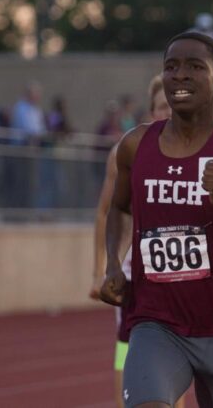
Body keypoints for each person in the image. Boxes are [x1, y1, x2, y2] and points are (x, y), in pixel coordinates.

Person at [100, 31, 213, 408]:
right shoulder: (135, 145)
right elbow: (117, 207)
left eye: (195, 67)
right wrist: (113, 264)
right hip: (156, 324)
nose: (179, 75)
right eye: (171, 67)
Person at [90, 75, 185, 408]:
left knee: (178, 354)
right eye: (162, 107)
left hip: (181, 273)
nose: (168, 113)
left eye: (172, 106)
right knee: (126, 351)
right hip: (136, 272)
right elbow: (104, 214)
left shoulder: (193, 152)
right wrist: (99, 270)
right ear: (151, 110)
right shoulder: (127, 151)